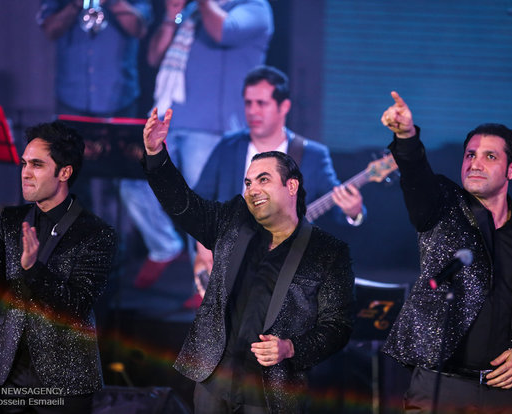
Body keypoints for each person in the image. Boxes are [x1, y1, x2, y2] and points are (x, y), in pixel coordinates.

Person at [141, 108, 355, 413]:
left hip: (271, 392)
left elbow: (338, 327)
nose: (253, 189)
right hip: (214, 381)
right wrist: (155, 154)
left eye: (263, 180)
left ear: (291, 186)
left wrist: (291, 348)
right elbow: (183, 204)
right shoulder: (232, 221)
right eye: (249, 182)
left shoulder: (327, 251)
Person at [380, 91, 512, 413]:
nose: (475, 164)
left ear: (511, 169)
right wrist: (406, 136)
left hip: (508, 391)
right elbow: (415, 174)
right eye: (470, 155)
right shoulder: (443, 205)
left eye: (489, 156)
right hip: (440, 386)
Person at [0, 122, 117, 412]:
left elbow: (76, 307)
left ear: (64, 172)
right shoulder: (10, 221)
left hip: (66, 380)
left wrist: (32, 269)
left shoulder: (96, 233)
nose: (25, 173)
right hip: (10, 373)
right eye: (24, 163)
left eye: (37, 165)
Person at [119, 0, 274, 291]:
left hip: (211, 127)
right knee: (133, 183)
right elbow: (154, 57)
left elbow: (223, 32)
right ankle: (164, 247)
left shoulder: (254, 7)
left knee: (203, 207)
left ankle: (205, 287)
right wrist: (170, 17)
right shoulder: (192, 11)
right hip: (168, 118)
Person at [193, 65, 366, 294]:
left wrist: (354, 211)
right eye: (248, 103)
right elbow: (198, 201)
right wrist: (203, 245)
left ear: (283, 106)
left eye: (261, 103)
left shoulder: (312, 155)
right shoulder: (229, 147)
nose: (253, 111)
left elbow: (338, 205)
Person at [38, 0, 153, 117]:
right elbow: (50, 31)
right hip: (70, 97)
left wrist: (113, 2)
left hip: (119, 98)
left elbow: (140, 30)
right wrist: (76, 4)